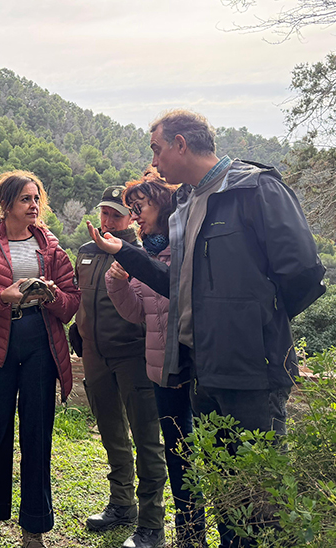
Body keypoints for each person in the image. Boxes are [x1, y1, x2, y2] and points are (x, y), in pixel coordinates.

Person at [88, 110, 325, 547]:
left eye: (157, 149)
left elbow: (305, 273)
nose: (153, 161)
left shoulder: (256, 189)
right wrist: (127, 253)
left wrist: (250, 324)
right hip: (203, 373)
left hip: (253, 372)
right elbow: (177, 286)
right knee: (226, 494)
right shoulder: (185, 204)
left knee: (263, 501)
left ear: (181, 144)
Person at [0, 170, 80, 548]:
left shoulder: (51, 247)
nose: (34, 205)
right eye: (25, 199)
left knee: (37, 433)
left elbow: (71, 302)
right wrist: (3, 296)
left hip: (40, 342)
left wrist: (51, 295)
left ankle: (34, 528)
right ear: (5, 204)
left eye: (36, 198)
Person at [104, 172, 206, 547]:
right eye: (131, 210)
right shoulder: (143, 255)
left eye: (139, 207)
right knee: (179, 455)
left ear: (162, 204)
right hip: (163, 371)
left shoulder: (186, 245)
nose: (134, 216)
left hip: (198, 367)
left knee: (209, 451)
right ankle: (191, 536)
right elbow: (137, 313)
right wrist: (116, 282)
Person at [73, 184, 167, 548]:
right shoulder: (86, 251)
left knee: (146, 439)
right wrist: (77, 328)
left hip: (133, 357)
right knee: (111, 434)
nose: (109, 220)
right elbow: (81, 297)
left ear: (131, 218)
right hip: (94, 356)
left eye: (116, 214)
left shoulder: (140, 255)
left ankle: (151, 523)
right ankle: (121, 504)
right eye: (104, 212)